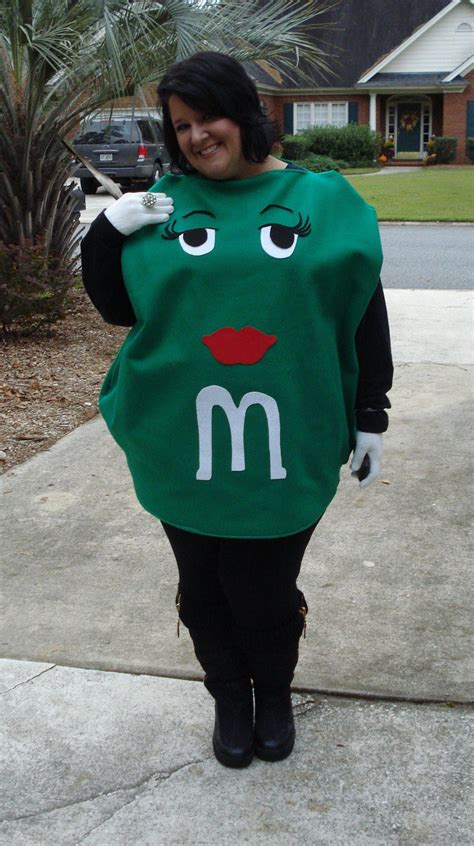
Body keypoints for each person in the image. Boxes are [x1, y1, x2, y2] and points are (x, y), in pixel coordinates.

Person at [81, 51, 393, 769]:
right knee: (202, 587)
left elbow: (361, 311)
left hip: (291, 439)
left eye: (209, 117)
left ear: (245, 113)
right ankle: (228, 695)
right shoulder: (165, 207)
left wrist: (370, 410)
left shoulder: (321, 201)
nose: (197, 136)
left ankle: (273, 694)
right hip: (181, 440)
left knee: (263, 588)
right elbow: (118, 309)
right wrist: (108, 231)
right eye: (181, 126)